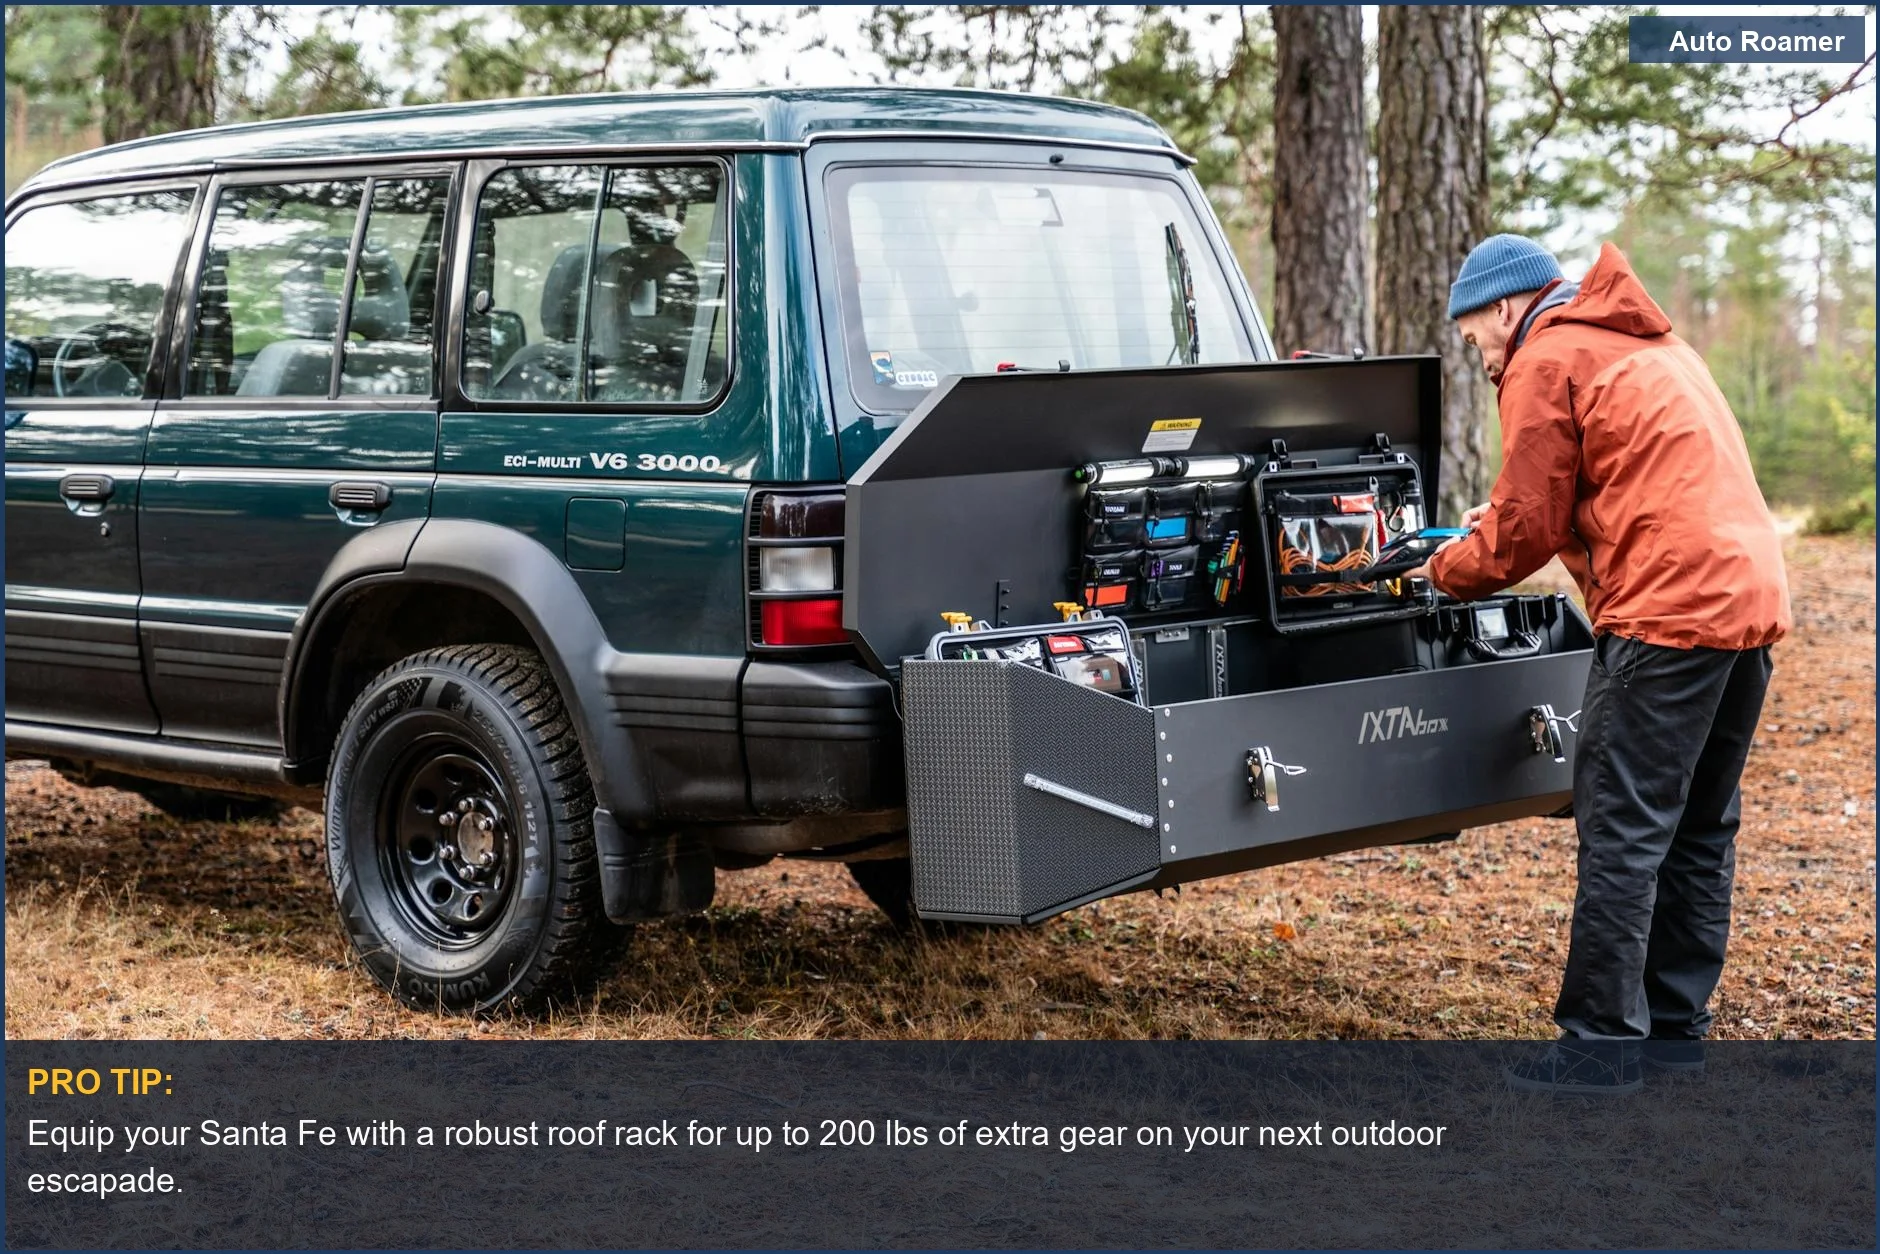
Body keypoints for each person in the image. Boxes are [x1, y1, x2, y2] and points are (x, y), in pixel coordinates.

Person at [1407, 234, 1791, 1095]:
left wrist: (1439, 570)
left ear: (1504, 308)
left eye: (1475, 339)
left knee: (1620, 828)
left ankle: (1598, 1049)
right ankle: (1675, 1035)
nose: (1480, 355)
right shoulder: (1644, 341)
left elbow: (1522, 538)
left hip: (1668, 612)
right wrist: (1504, 519)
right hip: (1748, 599)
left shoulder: (1548, 355)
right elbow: (1620, 481)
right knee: (1697, 824)